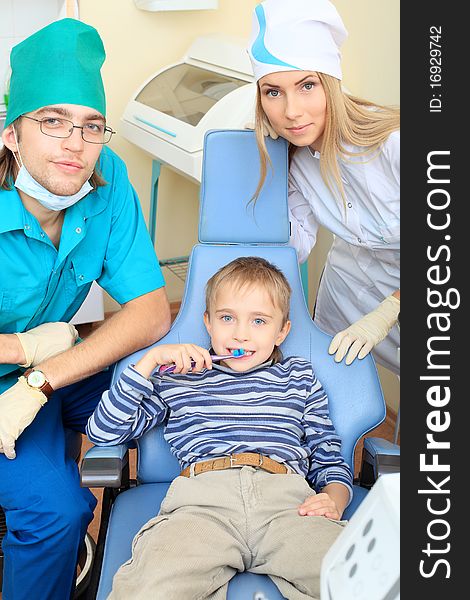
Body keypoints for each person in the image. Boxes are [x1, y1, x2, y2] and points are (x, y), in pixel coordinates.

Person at [0, 19, 171, 600]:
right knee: (55, 512)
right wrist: (22, 354)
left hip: (48, 370)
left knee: (176, 401)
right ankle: (54, 544)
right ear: (11, 134)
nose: (75, 143)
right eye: (52, 121)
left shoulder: (108, 180)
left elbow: (150, 311)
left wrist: (41, 370)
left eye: (91, 125)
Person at [87, 256, 353, 600]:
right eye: (227, 318)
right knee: (148, 590)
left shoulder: (299, 377)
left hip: (289, 504)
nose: (240, 333)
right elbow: (103, 432)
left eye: (259, 321)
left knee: (360, 582)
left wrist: (334, 500)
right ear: (208, 323)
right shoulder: (175, 379)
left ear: (282, 331)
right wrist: (147, 364)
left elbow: (327, 452)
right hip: (201, 505)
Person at [247, 0, 400, 374]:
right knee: (332, 391)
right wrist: (263, 175)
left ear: (331, 83)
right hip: (347, 289)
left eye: (307, 85)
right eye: (273, 92)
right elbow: (295, 247)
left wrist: (391, 308)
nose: (292, 111)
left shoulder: (394, 144)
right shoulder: (294, 161)